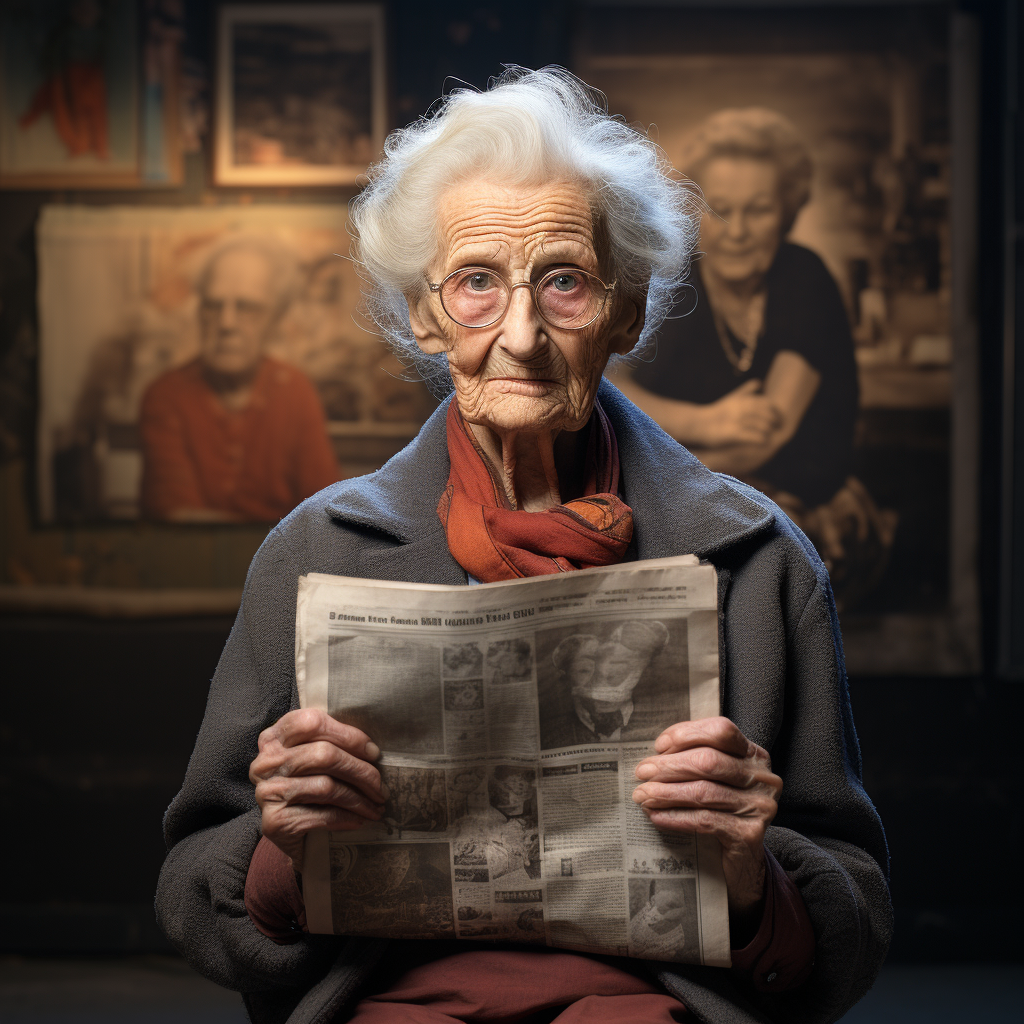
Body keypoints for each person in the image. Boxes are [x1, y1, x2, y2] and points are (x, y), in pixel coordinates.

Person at [156, 69, 890, 1024]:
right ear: (423, 319)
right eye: (475, 284)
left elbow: (857, 912)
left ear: (624, 312)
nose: (523, 335)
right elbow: (189, 884)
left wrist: (752, 873)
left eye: (565, 282)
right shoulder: (313, 553)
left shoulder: (761, 559)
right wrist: (282, 848)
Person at [613, 108, 894, 605]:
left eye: (758, 210)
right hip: (691, 499)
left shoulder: (803, 279)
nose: (736, 230)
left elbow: (765, 437)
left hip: (802, 509)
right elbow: (607, 387)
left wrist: (647, 485)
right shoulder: (674, 285)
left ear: (787, 211)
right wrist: (710, 421)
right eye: (718, 208)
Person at [139, 238, 340, 521]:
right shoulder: (165, 395)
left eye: (246, 307)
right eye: (213, 305)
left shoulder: (296, 391)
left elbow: (324, 511)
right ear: (199, 313)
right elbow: (175, 519)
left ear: (273, 319)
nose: (227, 323)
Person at [545, 622, 669, 745]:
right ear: (566, 675)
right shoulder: (555, 731)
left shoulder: (657, 719)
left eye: (618, 664)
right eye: (584, 670)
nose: (602, 674)